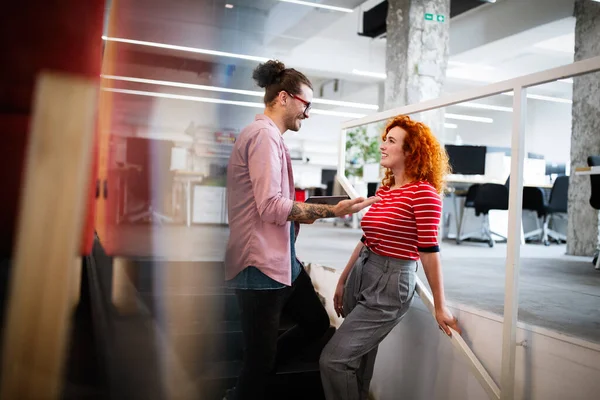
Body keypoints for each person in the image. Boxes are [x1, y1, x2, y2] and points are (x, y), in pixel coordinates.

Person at [224, 59, 380, 400]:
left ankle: (259, 372)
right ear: (283, 98)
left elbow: (273, 204)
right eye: (305, 104)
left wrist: (310, 212)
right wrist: (328, 210)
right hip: (259, 267)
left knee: (315, 323)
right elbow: (270, 207)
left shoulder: (270, 137)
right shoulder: (263, 137)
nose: (307, 113)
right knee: (258, 362)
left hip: (282, 264)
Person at [319, 115, 462, 400]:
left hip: (390, 283)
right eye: (385, 139)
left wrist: (440, 306)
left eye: (391, 141)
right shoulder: (386, 190)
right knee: (356, 362)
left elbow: (429, 252)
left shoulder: (424, 194)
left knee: (334, 360)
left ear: (411, 152)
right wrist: (343, 278)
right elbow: (366, 238)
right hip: (364, 271)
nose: (382, 146)